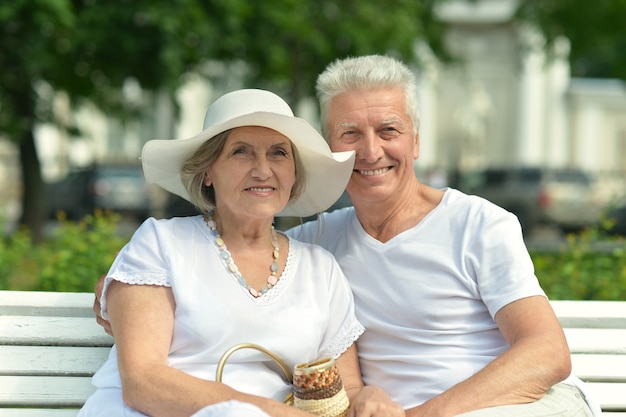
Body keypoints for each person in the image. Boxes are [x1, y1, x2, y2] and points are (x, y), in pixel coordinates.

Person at [95, 56, 602, 417]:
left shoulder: (478, 224)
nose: (371, 150)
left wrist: (423, 415)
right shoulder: (321, 243)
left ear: (416, 141)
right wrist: (120, 288)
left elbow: (546, 354)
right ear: (331, 148)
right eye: (350, 134)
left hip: (505, 406)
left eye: (388, 130)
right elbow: (214, 265)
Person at [80, 88, 403, 417]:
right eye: (241, 152)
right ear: (208, 171)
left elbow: (345, 389)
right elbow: (143, 382)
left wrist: (369, 397)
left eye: (278, 153)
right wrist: (269, 412)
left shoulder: (319, 269)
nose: (262, 170)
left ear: (294, 174)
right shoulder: (162, 243)